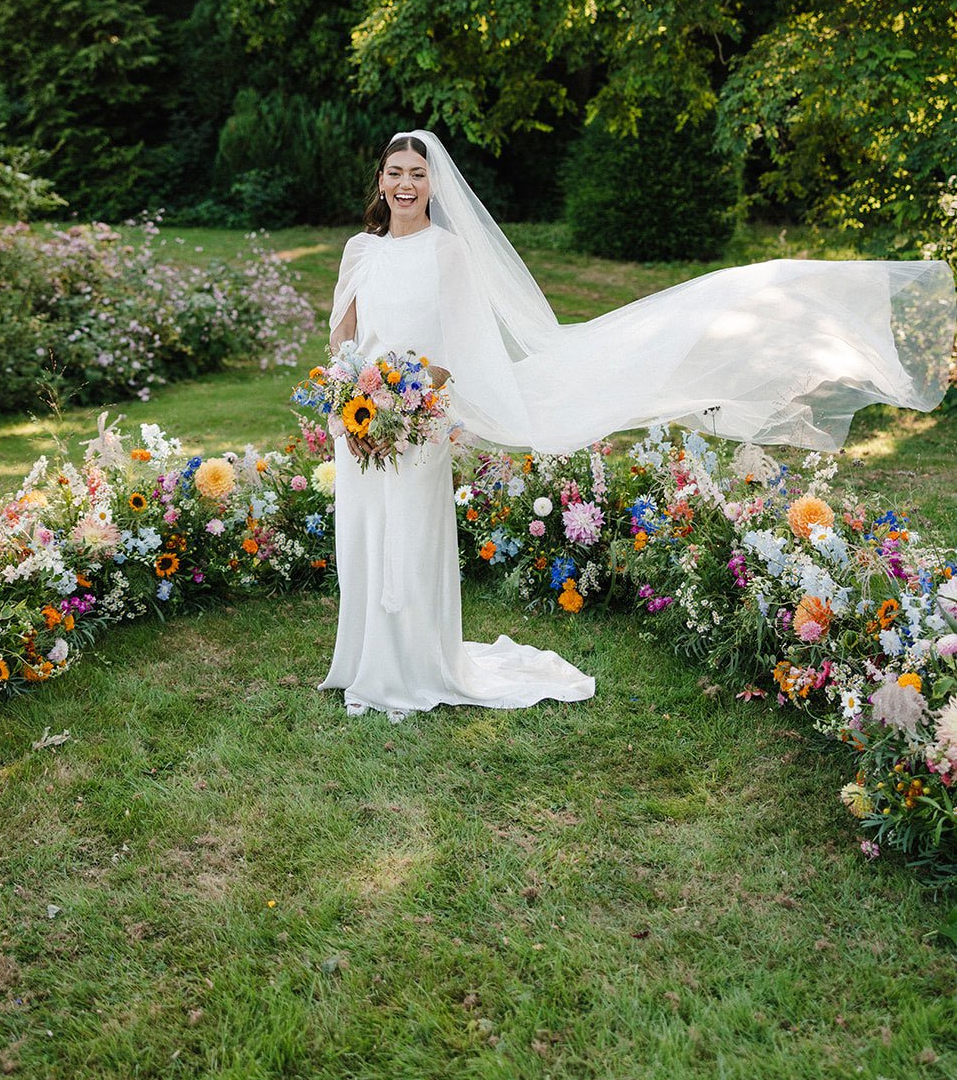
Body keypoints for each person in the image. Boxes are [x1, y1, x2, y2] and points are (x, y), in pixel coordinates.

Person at [319, 129, 956, 723]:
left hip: (415, 422)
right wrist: (351, 397)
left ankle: (411, 667)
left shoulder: (448, 252)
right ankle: (363, 661)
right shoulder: (360, 251)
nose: (406, 185)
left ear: (432, 185)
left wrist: (410, 402)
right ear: (380, 181)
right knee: (365, 534)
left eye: (418, 175)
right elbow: (343, 334)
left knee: (409, 538)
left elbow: (464, 347)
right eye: (396, 173)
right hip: (360, 423)